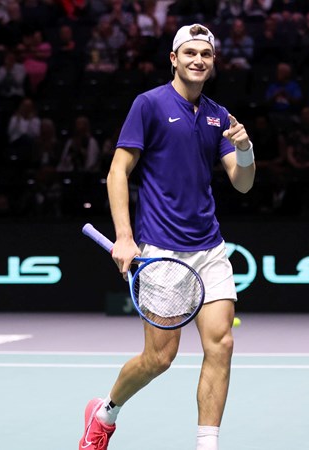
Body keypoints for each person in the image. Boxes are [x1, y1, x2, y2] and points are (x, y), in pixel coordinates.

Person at [79, 23, 255, 450]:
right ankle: (105, 413)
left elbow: (243, 183)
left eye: (206, 54)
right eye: (190, 52)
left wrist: (245, 148)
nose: (199, 60)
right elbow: (118, 171)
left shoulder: (218, 116)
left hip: (209, 250)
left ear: (213, 63)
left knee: (223, 342)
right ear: (174, 59)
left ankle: (206, 444)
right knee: (159, 358)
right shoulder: (149, 105)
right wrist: (124, 237)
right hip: (160, 250)